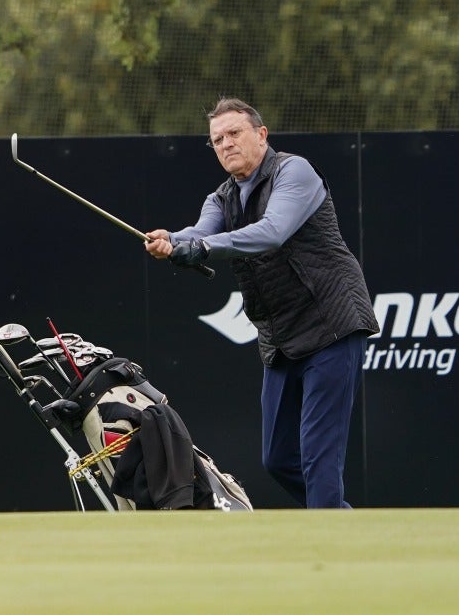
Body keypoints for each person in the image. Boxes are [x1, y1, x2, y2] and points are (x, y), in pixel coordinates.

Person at [143, 97, 378, 508]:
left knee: (319, 459)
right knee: (279, 459)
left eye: (234, 133)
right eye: (217, 140)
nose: (226, 144)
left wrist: (196, 247)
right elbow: (201, 232)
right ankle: (345, 522)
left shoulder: (294, 172)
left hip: (332, 326)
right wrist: (171, 241)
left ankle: (335, 548)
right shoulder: (221, 198)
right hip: (282, 337)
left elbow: (271, 232)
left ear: (261, 134)